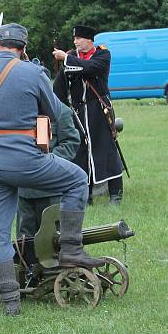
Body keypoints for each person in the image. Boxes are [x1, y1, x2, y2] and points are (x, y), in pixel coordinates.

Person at [0, 23, 104, 317]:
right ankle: (70, 250)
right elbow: (53, 111)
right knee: (77, 178)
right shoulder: (32, 72)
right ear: (23, 48)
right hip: (28, 160)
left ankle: (10, 303)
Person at [52, 25, 124, 204]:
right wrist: (59, 107)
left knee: (106, 148)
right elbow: (60, 85)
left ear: (89, 40)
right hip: (78, 110)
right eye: (74, 39)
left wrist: (66, 58)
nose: (75, 42)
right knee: (81, 152)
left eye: (79, 38)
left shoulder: (102, 54)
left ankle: (115, 193)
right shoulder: (72, 56)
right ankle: (86, 195)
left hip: (99, 108)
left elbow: (91, 68)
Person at [16, 104, 80, 241]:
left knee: (53, 239)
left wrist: (47, 161)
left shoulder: (61, 111)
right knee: (25, 240)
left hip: (51, 190)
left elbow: (71, 142)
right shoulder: (19, 111)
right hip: (24, 189)